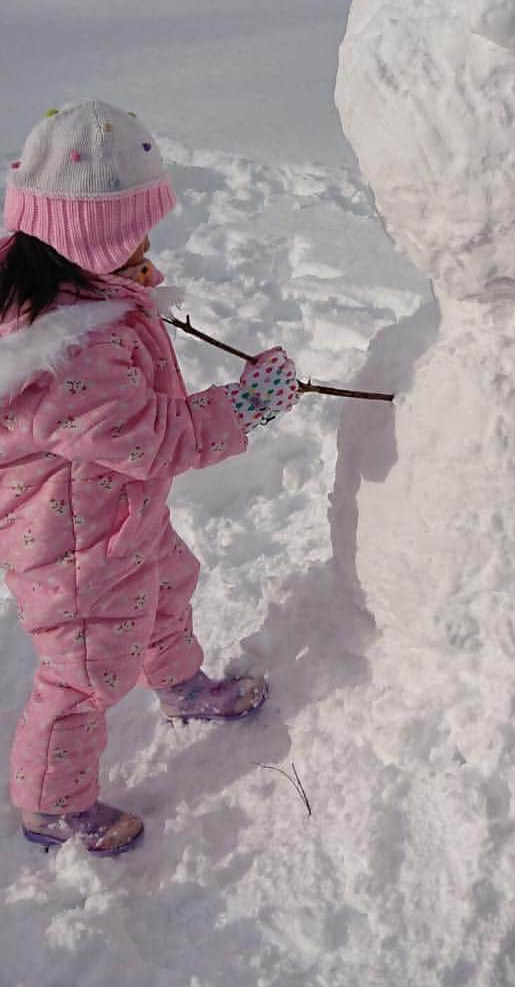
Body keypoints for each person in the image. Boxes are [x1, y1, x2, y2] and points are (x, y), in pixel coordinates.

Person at [0, 102, 301, 856]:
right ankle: (52, 806)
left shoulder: (62, 279)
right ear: (91, 241)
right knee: (86, 672)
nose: (146, 246)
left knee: (168, 585)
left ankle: (181, 685)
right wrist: (247, 406)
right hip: (70, 548)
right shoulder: (63, 356)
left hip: (112, 517)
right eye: (133, 232)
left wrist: (125, 284)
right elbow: (151, 437)